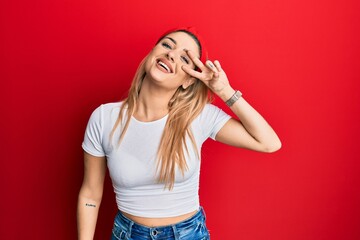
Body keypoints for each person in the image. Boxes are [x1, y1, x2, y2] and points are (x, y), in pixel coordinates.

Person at [77, 27, 281, 240]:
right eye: (167, 45)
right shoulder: (103, 118)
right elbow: (90, 194)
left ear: (188, 80)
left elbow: (268, 143)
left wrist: (223, 90)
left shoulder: (198, 116)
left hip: (187, 235)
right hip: (127, 235)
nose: (171, 54)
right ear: (151, 54)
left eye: (184, 57)